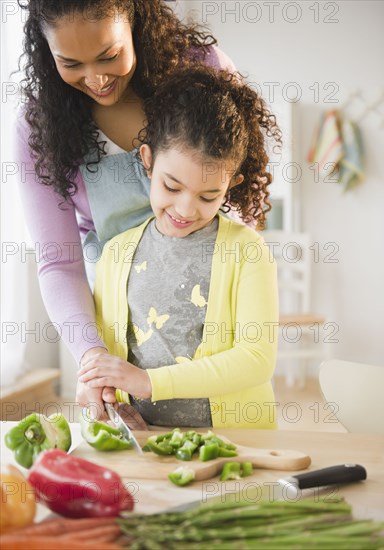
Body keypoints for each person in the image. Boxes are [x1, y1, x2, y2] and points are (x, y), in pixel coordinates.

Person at [15, 0, 236, 412]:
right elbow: (58, 263)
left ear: (135, 21)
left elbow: (240, 193)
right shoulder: (37, 127)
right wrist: (92, 355)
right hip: (123, 334)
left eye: (109, 55)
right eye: (70, 63)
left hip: (214, 319)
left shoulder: (201, 69)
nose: (95, 78)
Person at [77, 66, 282, 429]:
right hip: (146, 443)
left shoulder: (247, 251)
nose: (186, 209)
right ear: (148, 160)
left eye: (208, 196)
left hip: (234, 446)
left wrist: (149, 383)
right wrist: (94, 383)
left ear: (230, 185)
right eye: (172, 187)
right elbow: (109, 356)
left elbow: (256, 358)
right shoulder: (115, 254)